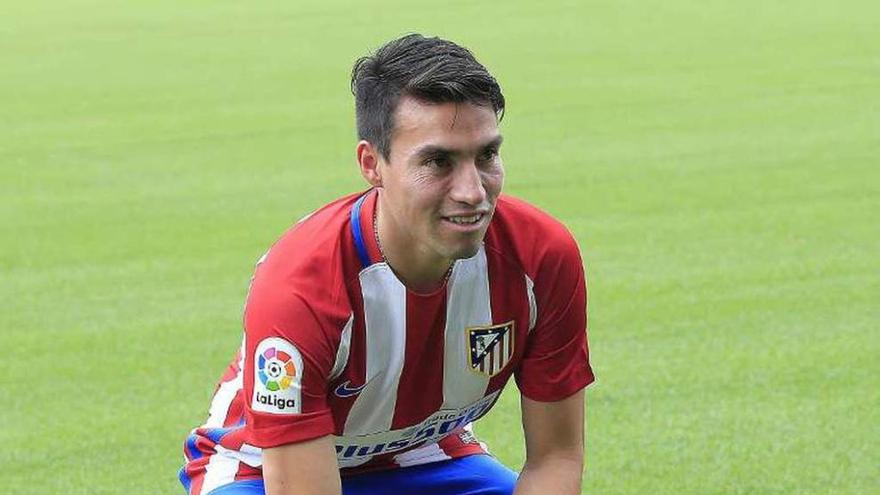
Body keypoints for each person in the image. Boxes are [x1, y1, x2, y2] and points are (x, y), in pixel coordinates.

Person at [179, 33, 594, 495]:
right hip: (260, 470)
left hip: (427, 457)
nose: (473, 192)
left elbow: (556, 457)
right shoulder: (301, 286)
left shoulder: (540, 256)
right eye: (438, 161)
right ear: (372, 163)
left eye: (487, 155)